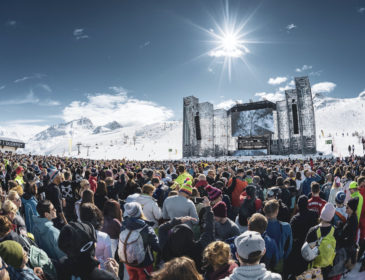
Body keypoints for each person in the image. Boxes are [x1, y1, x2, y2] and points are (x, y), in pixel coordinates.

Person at [159, 197, 214, 271]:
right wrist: (208, 209)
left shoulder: (166, 250)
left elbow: (162, 229)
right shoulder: (198, 248)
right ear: (191, 236)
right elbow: (209, 231)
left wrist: (178, 220)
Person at [119, 202, 160, 280]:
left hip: (128, 261)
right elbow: (157, 247)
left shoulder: (123, 225)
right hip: (144, 263)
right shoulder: (146, 228)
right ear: (139, 212)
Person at [305, 203, 336, 278]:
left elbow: (306, 250)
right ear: (331, 217)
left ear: (321, 214)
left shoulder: (313, 230)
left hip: (314, 267)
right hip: (327, 266)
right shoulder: (335, 231)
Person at [80, 203, 113, 270]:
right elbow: (108, 259)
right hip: (102, 272)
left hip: (84, 272)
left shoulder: (77, 235)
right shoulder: (104, 237)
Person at [264, 200, 292, 274]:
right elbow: (289, 247)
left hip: (263, 261)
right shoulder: (286, 227)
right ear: (277, 212)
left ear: (265, 212)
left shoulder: (261, 227)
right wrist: (283, 257)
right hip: (279, 260)